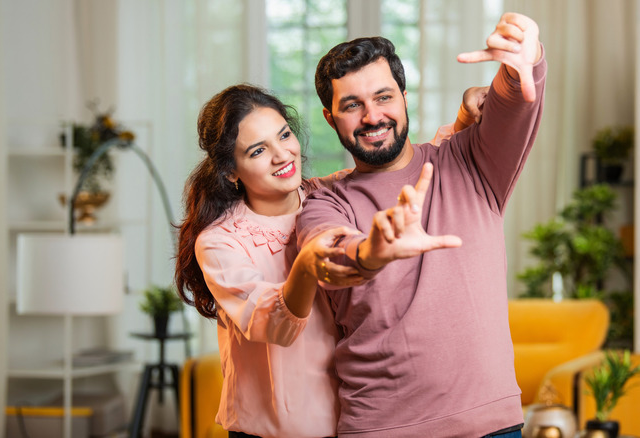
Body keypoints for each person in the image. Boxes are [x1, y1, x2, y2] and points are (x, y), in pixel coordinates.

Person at [174, 83, 488, 438]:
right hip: (273, 431)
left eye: (285, 135)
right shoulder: (220, 241)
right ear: (231, 171)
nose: (282, 155)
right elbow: (271, 325)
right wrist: (307, 265)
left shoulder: (330, 198)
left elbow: (409, 175)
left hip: (356, 420)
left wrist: (463, 120)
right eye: (258, 150)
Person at [295, 11, 546, 438]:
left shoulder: (471, 161)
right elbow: (326, 253)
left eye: (383, 97)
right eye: (352, 105)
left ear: (405, 97)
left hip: (492, 425)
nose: (372, 116)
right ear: (329, 117)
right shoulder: (324, 200)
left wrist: (528, 56)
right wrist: (372, 252)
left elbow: (512, 99)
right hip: (381, 428)